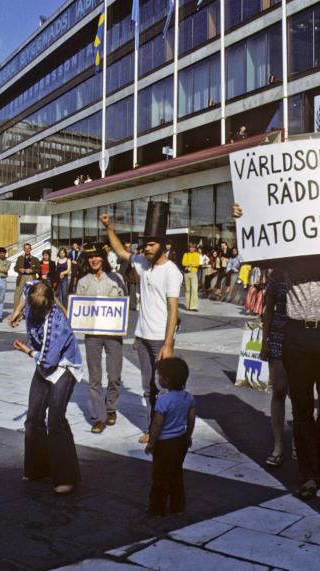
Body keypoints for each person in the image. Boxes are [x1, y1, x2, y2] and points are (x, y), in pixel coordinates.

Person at [232, 203, 320, 500]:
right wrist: (242, 220)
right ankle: (309, 473)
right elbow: (254, 251)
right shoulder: (288, 256)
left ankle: (318, 460)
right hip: (296, 334)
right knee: (302, 407)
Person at [101, 205, 183, 444]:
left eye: (150, 244)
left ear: (162, 245)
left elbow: (173, 309)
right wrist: (109, 227)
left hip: (160, 338)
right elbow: (119, 251)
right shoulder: (143, 263)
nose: (145, 248)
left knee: (164, 388)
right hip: (143, 336)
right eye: (144, 244)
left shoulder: (171, 272)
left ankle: (167, 431)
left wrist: (168, 343)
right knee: (148, 388)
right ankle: (152, 429)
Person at [10, 281, 82, 494]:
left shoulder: (57, 323)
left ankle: (67, 476)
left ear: (49, 304)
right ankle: (38, 468)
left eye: (40, 308)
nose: (36, 312)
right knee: (33, 417)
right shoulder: (34, 295)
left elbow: (49, 361)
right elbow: (28, 286)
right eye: (34, 307)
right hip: (44, 363)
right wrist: (17, 311)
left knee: (56, 420)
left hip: (63, 366)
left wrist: (27, 351)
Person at [74, 243, 126, 434]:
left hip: (113, 335)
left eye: (97, 256)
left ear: (103, 258)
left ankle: (111, 407)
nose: (94, 260)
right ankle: (99, 417)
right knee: (94, 378)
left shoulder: (116, 278)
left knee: (114, 376)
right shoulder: (83, 281)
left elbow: (124, 305)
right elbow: (79, 309)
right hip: (92, 336)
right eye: (90, 257)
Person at [144, 357, 196, 516]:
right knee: (176, 474)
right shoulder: (188, 397)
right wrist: (188, 436)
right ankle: (177, 506)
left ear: (166, 380)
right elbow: (191, 419)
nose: (158, 378)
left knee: (160, 476)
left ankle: (157, 508)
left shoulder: (163, 400)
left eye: (159, 375)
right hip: (180, 441)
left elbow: (157, 424)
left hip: (164, 444)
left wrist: (151, 442)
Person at [260, 268, 289, 468]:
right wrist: (264, 341)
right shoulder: (277, 274)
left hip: (302, 338)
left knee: (300, 394)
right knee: (278, 390)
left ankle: (299, 443)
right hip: (278, 336)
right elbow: (268, 309)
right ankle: (278, 445)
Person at [181, 242, 201, 311]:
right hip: (186, 273)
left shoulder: (196, 254)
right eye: (190, 247)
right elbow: (183, 263)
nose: (191, 249)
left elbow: (197, 263)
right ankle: (188, 306)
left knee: (194, 289)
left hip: (193, 272)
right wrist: (190, 263)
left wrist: (189, 264)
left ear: (195, 248)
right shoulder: (186, 254)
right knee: (187, 290)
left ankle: (194, 306)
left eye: (193, 247)